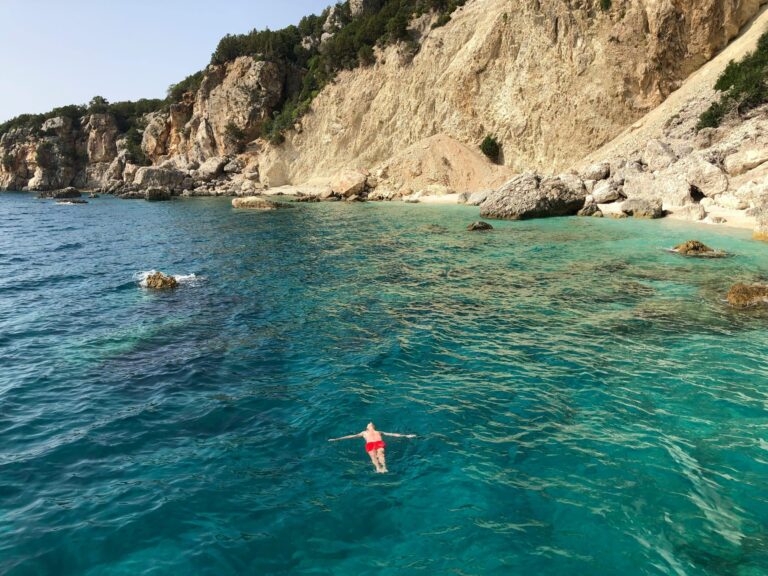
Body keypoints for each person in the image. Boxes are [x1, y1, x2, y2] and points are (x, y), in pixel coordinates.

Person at [329, 422, 416, 473]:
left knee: (380, 455)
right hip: (375, 443)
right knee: (375, 456)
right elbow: (351, 436)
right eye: (369, 424)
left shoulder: (377, 431)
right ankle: (379, 468)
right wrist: (337, 439)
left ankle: (384, 467)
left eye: (371, 424)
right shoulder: (364, 433)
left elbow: (393, 434)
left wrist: (407, 436)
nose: (370, 423)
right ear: (367, 427)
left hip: (376, 443)